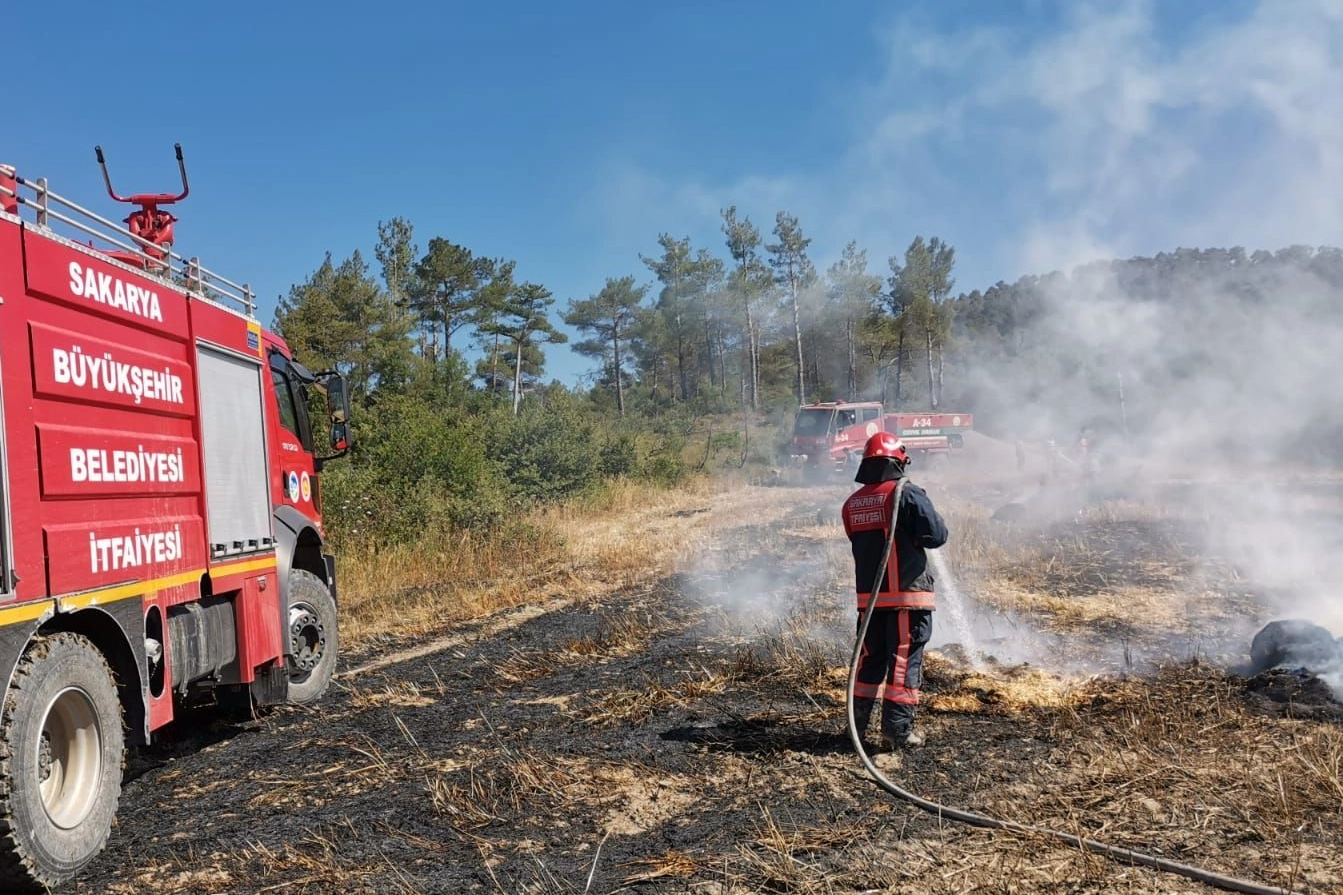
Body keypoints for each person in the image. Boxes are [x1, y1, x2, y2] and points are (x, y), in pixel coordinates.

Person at [841, 432, 949, 750]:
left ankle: (855, 728)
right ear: (898, 462)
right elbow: (937, 535)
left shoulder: (852, 503)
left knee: (869, 662)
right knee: (902, 662)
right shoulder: (907, 494)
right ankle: (897, 732)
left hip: (870, 603)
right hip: (906, 599)